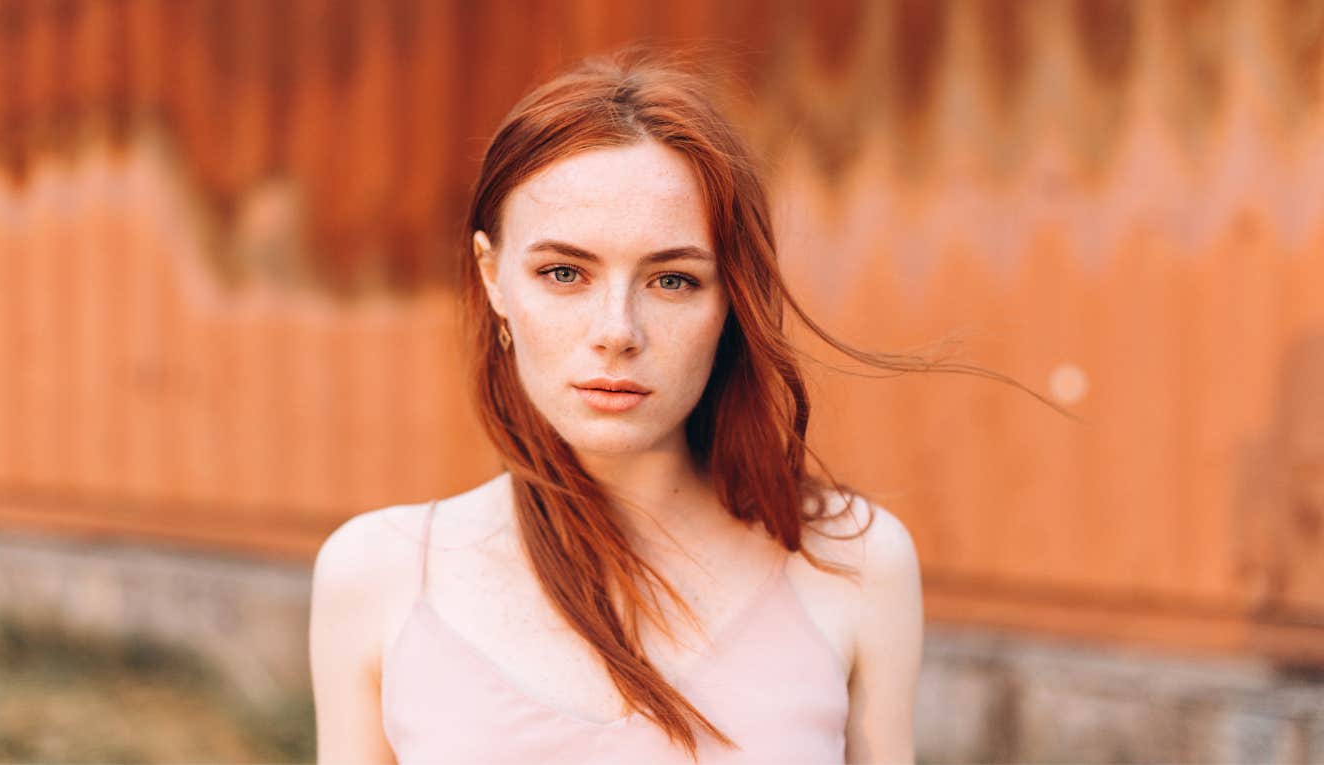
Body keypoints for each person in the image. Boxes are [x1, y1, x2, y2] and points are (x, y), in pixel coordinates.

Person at [311, 48, 927, 764]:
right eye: (564, 272)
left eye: (672, 280)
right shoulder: (380, 575)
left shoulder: (854, 562)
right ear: (493, 278)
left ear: (731, 301)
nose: (616, 332)